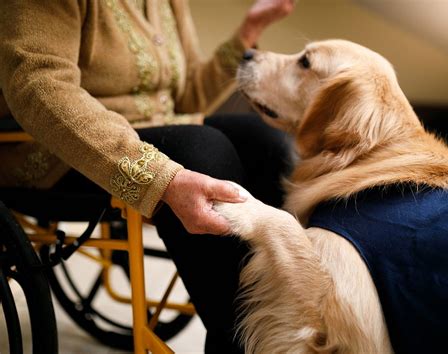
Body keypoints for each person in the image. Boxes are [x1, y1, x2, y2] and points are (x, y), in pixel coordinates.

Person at [0, 0, 295, 351]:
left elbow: (185, 98)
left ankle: (285, 320)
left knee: (269, 144)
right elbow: (37, 84)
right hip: (55, 152)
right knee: (202, 151)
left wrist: (249, 31)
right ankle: (238, 342)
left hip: (158, 132)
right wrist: (159, 177)